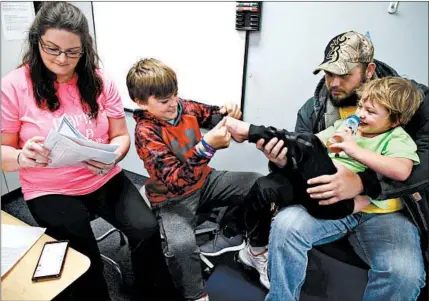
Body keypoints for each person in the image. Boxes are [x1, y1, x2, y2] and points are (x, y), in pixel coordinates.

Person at [0, 3, 176, 301]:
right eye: (52, 49)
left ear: (85, 48)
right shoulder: (14, 86)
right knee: (83, 258)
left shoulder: (99, 80)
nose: (62, 59)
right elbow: (4, 153)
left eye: (73, 51)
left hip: (103, 178)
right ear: (37, 41)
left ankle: (154, 293)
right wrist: (21, 156)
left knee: (146, 229)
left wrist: (114, 156)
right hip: (49, 189)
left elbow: (120, 136)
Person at [244, 31, 428, 301]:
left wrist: (364, 182)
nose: (334, 83)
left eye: (344, 75)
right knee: (286, 225)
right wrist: (283, 160)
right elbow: (305, 153)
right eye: (329, 74)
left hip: (386, 209)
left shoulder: (411, 101)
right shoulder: (313, 111)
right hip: (330, 201)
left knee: (405, 275)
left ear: (369, 70)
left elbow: (417, 164)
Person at [126, 58, 270, 301]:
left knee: (262, 185)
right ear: (140, 102)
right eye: (164, 101)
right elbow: (175, 181)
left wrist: (228, 112)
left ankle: (255, 251)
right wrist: (206, 147)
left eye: (174, 95)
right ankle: (196, 296)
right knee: (181, 247)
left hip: (205, 182)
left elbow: (213, 115)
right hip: (171, 198)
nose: (173, 104)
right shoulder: (145, 133)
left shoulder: (184, 107)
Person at [226, 76, 422, 221]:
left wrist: (355, 150)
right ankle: (252, 248)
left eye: (370, 112)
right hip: (316, 190)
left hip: (337, 202)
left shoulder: (397, 138)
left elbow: (402, 171)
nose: (360, 114)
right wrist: (282, 158)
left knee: (308, 146)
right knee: (265, 187)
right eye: (360, 106)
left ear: (395, 120)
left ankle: (251, 131)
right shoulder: (346, 126)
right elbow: (309, 144)